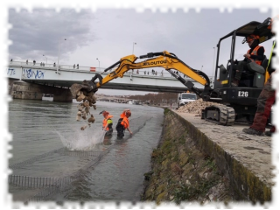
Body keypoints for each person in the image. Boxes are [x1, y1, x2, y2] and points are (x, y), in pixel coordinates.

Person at [243, 14, 280, 136]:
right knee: (279, 104)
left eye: (272, 27)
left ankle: (257, 128)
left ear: (277, 25)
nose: (271, 30)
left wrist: (278, 69)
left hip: (277, 76)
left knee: (264, 99)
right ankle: (277, 130)